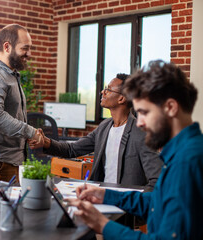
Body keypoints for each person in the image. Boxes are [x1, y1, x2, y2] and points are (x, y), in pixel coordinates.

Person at [67, 60, 203, 239]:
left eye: (144, 113)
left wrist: (103, 224)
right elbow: (157, 201)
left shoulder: (187, 163)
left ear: (170, 107)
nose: (139, 122)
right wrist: (106, 195)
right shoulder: (182, 152)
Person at [30, 73, 162, 191]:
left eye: (108, 90)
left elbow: (157, 180)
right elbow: (72, 149)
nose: (102, 92)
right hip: (101, 198)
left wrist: (136, 204)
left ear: (121, 99)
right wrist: (46, 142)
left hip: (126, 207)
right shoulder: (104, 127)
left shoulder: (141, 132)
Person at [0, 24, 42, 182]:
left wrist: (29, 134)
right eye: (25, 48)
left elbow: (12, 115)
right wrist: (29, 131)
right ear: (7, 46)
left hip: (11, 159)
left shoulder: (11, 75)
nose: (29, 54)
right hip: (0, 161)